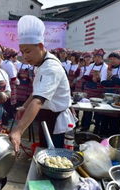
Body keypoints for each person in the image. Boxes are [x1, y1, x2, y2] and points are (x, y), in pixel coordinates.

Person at [9, 15, 76, 151]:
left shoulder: (50, 68)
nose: (25, 56)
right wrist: (24, 107)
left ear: (40, 46)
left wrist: (18, 130)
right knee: (44, 152)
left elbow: (38, 101)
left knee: (55, 158)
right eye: (22, 52)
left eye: (28, 51)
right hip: (46, 117)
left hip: (57, 122)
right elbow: (37, 92)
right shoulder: (40, 64)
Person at [100, 51, 120, 136]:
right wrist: (114, 82)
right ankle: (103, 135)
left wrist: (111, 77)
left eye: (115, 58)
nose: (112, 60)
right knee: (105, 116)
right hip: (107, 96)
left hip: (119, 97)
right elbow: (103, 83)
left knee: (116, 118)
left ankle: (114, 137)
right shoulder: (106, 69)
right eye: (111, 58)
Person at [81, 48, 108, 132]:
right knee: (87, 110)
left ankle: (97, 128)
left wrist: (99, 79)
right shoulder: (91, 65)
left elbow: (104, 80)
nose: (97, 58)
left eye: (99, 57)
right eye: (95, 56)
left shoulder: (105, 67)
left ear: (102, 57)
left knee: (98, 111)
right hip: (89, 90)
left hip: (98, 91)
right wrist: (92, 78)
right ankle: (85, 127)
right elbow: (85, 76)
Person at [1, 48, 19, 127]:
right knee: (9, 104)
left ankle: (5, 121)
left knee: (5, 104)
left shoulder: (3, 62)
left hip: (3, 85)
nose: (16, 57)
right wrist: (18, 82)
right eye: (15, 56)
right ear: (11, 56)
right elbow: (13, 78)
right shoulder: (10, 64)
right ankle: (7, 123)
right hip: (10, 85)